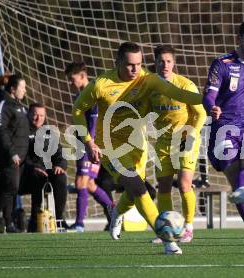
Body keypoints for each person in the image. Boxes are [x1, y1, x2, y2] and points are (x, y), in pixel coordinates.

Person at [73, 42, 202, 254]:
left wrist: (208, 100)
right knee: (139, 189)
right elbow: (78, 110)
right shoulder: (101, 84)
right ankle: (168, 240)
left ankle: (116, 212)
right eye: (130, 65)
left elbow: (180, 94)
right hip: (111, 148)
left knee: (133, 194)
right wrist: (88, 141)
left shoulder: (147, 80)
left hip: (138, 144)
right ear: (118, 62)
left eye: (139, 64)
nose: (135, 70)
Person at [202, 20, 244, 254]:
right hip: (223, 129)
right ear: (240, 39)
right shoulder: (221, 64)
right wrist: (212, 107)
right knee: (238, 183)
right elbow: (208, 96)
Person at [149, 45, 207, 244]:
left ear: (174, 63)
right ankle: (166, 230)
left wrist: (192, 134)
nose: (165, 65)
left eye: (168, 61)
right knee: (163, 186)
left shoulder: (185, 85)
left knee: (183, 184)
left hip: (186, 140)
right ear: (155, 62)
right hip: (163, 142)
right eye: (161, 61)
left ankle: (188, 228)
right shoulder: (150, 87)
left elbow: (201, 113)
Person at [65, 62, 114, 232]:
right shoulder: (80, 95)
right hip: (84, 144)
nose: (71, 84)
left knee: (81, 182)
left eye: (73, 80)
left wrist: (90, 146)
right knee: (91, 184)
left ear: (82, 76)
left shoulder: (92, 94)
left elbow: (93, 122)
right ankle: (114, 211)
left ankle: (79, 224)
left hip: (90, 145)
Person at [18, 103, 69, 232]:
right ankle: (35, 221)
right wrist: (32, 167)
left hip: (47, 171)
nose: (38, 118)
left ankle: (58, 219)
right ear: (29, 114)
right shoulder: (21, 131)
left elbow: (60, 154)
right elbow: (20, 157)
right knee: (38, 176)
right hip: (27, 174)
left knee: (61, 177)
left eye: (41, 115)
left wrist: (60, 165)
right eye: (35, 114)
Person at [0, 73, 29, 233]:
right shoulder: (3, 104)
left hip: (19, 157)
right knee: (11, 186)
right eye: (22, 87)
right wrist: (12, 153)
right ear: (13, 89)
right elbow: (1, 131)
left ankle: (4, 221)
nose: (25, 91)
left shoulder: (16, 104)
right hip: (8, 157)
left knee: (11, 187)